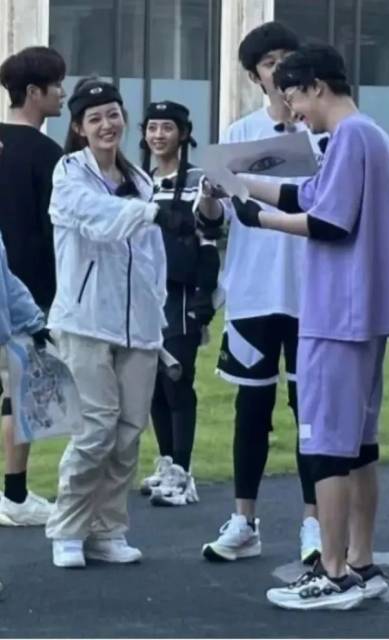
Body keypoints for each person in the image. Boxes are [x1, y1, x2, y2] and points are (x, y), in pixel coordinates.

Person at [231, 42, 389, 611]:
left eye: (295, 97)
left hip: (338, 312)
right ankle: (360, 561)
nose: (294, 111)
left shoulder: (349, 137)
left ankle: (331, 572)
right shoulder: (367, 135)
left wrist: (259, 219)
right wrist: (242, 183)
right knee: (359, 445)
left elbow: (329, 220)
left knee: (328, 446)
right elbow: (308, 193)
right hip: (364, 311)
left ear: (316, 86)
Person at [44, 78, 180, 568]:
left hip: (139, 327)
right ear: (79, 128)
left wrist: (158, 315)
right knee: (95, 429)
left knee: (128, 433)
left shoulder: (140, 179)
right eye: (95, 117)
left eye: (114, 114)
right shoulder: (69, 173)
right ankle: (68, 528)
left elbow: (152, 260)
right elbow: (96, 217)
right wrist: (150, 213)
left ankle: (108, 529)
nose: (107, 124)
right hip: (85, 322)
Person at [201, 22, 322, 565]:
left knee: (310, 411)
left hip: (312, 292)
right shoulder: (241, 133)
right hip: (253, 291)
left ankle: (315, 522)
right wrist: (210, 195)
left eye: (287, 57)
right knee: (252, 408)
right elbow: (214, 220)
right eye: (270, 62)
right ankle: (243, 519)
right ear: (255, 76)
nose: (280, 69)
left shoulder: (323, 131)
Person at [139, 100, 223, 507]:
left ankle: (184, 475)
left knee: (177, 380)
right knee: (153, 385)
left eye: (167, 127)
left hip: (184, 294)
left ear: (184, 133)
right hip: (145, 295)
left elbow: (211, 230)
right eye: (152, 127)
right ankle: (168, 465)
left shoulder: (198, 180)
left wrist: (205, 295)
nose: (158, 135)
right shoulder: (140, 181)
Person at [0, 46, 66, 526]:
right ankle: (15, 495)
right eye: (56, 84)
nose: (62, 92)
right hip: (27, 290)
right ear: (33, 92)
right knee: (16, 394)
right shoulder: (49, 157)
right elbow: (54, 232)